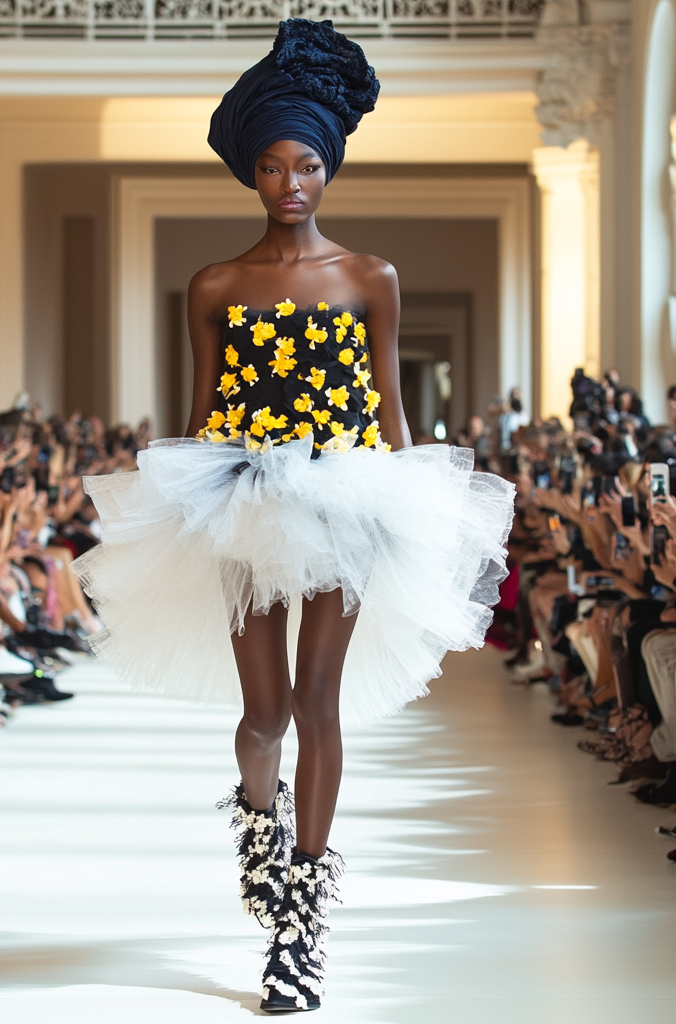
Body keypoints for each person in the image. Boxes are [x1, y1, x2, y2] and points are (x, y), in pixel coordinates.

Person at [72, 19, 514, 1013]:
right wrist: (183, 516)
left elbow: (393, 413)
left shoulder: (370, 277)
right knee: (263, 712)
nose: (291, 181)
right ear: (252, 175)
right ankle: (257, 829)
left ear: (329, 166)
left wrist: (422, 518)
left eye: (307, 161)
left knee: (319, 705)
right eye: (272, 166)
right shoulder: (216, 284)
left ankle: (298, 924)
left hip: (356, 499)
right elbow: (196, 418)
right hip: (239, 498)